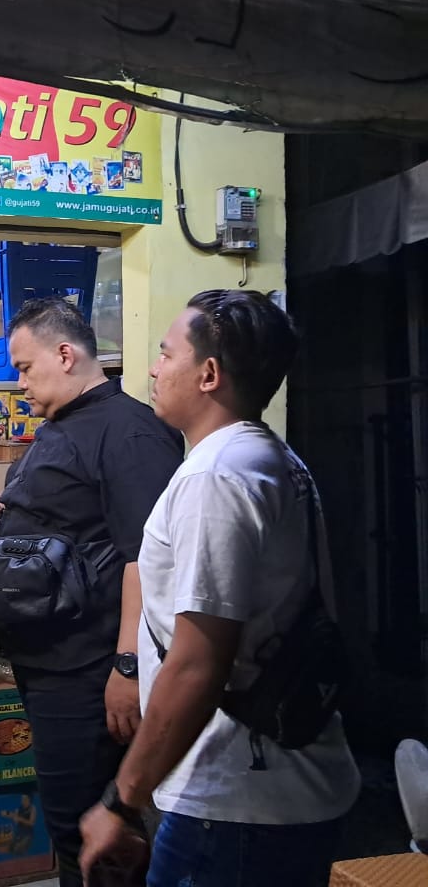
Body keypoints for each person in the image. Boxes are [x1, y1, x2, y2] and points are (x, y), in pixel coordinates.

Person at [79, 290, 361, 886]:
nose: (153, 369)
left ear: (208, 374)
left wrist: (121, 801)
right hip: (274, 792)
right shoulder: (271, 458)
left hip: (238, 804)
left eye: (166, 354)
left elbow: (198, 664)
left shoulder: (216, 477)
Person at [0, 296, 183, 887]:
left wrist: (127, 667)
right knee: (76, 825)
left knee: (85, 836)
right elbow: (54, 536)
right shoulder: (62, 427)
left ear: (65, 355)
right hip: (49, 664)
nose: (19, 383)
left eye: (25, 367)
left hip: (88, 670)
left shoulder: (128, 433)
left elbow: (145, 560)